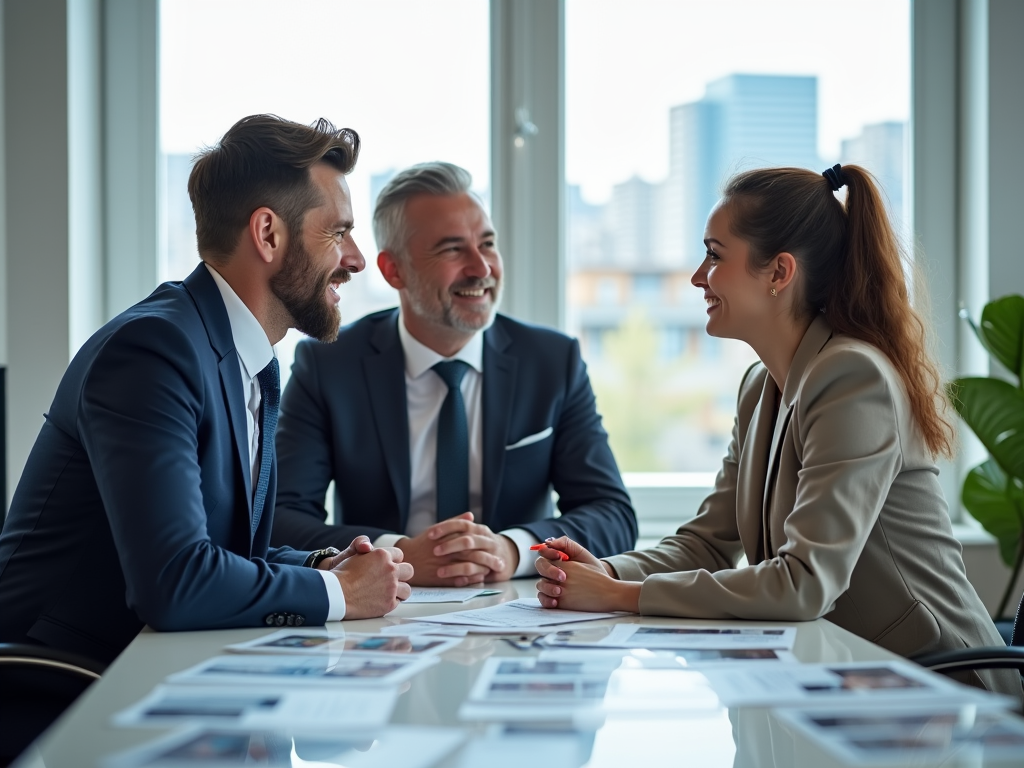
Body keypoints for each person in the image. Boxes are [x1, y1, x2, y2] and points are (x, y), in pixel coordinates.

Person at [533, 163, 1023, 700]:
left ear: (778, 273)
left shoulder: (852, 376)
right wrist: (604, 570)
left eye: (715, 256)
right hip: (845, 679)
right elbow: (706, 543)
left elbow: (803, 583)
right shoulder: (761, 386)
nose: (699, 276)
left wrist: (621, 596)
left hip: (939, 690)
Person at [0, 115, 413, 665]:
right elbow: (174, 580)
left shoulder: (248, 360)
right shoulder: (152, 351)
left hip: (151, 668)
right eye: (338, 232)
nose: (356, 258)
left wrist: (320, 566)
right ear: (268, 234)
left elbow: (222, 548)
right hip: (60, 688)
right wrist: (339, 594)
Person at [271, 161, 636, 586]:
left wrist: (512, 549)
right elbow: (280, 518)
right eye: (452, 249)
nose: (481, 268)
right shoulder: (329, 363)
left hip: (516, 613)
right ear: (394, 270)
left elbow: (612, 514)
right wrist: (398, 553)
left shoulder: (552, 361)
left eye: (487, 244)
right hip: (379, 613)